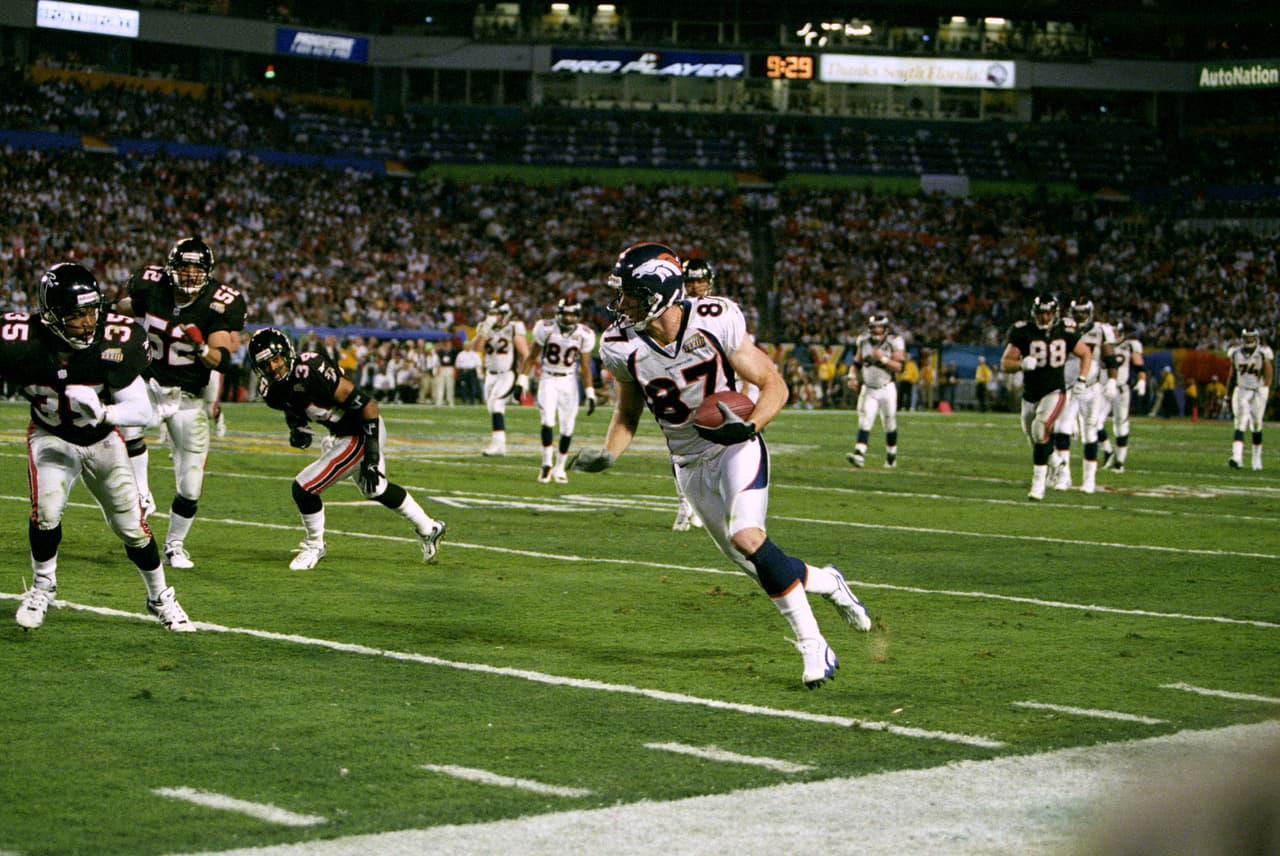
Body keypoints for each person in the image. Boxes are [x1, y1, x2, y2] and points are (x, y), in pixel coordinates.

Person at [569, 242, 872, 689]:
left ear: (660, 293)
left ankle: (814, 645)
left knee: (747, 536)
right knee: (754, 562)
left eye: (632, 293)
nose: (623, 303)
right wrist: (610, 452)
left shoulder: (714, 319)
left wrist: (749, 427)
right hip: (687, 463)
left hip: (734, 447)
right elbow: (627, 413)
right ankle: (828, 582)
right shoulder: (619, 344)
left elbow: (773, 384)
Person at [2, 263, 194, 632]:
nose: (89, 322)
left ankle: (159, 596)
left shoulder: (114, 339)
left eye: (92, 311)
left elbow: (143, 412)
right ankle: (43, 586)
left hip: (102, 438)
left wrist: (105, 412)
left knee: (132, 527)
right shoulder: (18, 341)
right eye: (77, 315)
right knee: (46, 511)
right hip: (51, 434)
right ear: (51, 315)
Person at [247, 327, 447, 570]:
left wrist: (371, 458)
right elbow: (292, 406)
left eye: (276, 359)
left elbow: (368, 406)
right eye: (266, 364)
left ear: (287, 353)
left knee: (304, 488)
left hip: (361, 430)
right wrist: (296, 428)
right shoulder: (271, 390)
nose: (273, 368)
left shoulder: (311, 371)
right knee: (376, 489)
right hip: (342, 433)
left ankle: (314, 545)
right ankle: (429, 528)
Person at [113, 237, 247, 569]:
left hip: (188, 398)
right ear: (171, 268)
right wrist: (103, 308)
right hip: (148, 384)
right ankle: (141, 493)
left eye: (196, 269)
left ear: (208, 272)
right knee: (124, 422)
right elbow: (123, 308)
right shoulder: (151, 286)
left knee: (190, 485)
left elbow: (222, 360)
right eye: (184, 267)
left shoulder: (219, 303)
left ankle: (174, 545)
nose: (189, 274)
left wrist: (201, 348)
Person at [1000, 294, 1092, 501]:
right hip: (1030, 393)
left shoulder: (1065, 329)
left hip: (1054, 390)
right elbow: (1005, 363)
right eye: (1041, 313)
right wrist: (1021, 364)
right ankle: (1058, 463)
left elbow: (1086, 353)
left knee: (1040, 428)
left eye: (1049, 313)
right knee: (1032, 435)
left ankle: (1038, 485)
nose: (1045, 317)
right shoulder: (1023, 331)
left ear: (1055, 313)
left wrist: (1082, 379)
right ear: (1034, 313)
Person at [519, 298, 597, 483]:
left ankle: (560, 466)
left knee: (567, 427)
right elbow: (532, 356)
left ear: (577, 316)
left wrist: (590, 392)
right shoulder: (545, 328)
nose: (568, 318)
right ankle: (547, 463)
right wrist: (521, 380)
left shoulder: (585, 334)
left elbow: (585, 366)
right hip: (548, 378)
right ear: (558, 314)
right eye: (565, 314)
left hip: (569, 380)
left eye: (571, 314)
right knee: (547, 421)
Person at [1054, 298, 1118, 494]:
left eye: (1083, 312)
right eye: (1077, 312)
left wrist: (1112, 380)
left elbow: (1110, 357)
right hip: (1068, 386)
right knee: (1062, 428)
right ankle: (1064, 476)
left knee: (1090, 432)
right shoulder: (1062, 327)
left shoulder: (1101, 330)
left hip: (1091, 388)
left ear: (1089, 312)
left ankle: (1089, 480)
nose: (1080, 316)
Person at [672, 257, 717, 530]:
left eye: (700, 280)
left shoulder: (721, 310)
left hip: (713, 386)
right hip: (681, 385)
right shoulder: (673, 310)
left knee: (714, 454)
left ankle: (701, 506)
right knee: (680, 452)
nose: (696, 286)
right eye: (691, 281)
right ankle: (683, 506)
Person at [845, 314, 906, 468]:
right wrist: (852, 377)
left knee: (889, 422)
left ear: (885, 328)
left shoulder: (894, 341)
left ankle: (891, 455)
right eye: (874, 327)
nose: (877, 330)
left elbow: (900, 367)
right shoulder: (863, 341)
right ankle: (859, 454)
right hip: (868, 388)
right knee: (865, 420)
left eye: (880, 327)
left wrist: (883, 359)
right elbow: (856, 363)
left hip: (887, 387)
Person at [472, 298, 529, 456]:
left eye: (497, 314)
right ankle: (500, 445)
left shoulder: (513, 327)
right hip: (490, 375)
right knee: (492, 408)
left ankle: (498, 444)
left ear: (505, 315)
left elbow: (525, 354)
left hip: (507, 374)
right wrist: (485, 329)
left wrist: (522, 377)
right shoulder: (484, 327)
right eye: (491, 313)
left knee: (496, 404)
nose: (493, 317)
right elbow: (475, 349)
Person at [1101, 319, 1146, 473]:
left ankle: (1119, 461)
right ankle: (1108, 451)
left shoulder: (1131, 345)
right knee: (1094, 422)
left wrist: (1142, 380)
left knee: (1120, 423)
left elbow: (1139, 365)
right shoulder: (1103, 342)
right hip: (1102, 387)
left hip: (1121, 388)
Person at [1226, 328, 1274, 471]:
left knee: (1257, 424)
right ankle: (1237, 457)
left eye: (1251, 337)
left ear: (1256, 338)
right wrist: (1227, 394)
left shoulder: (1263, 352)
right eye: (1247, 337)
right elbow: (1232, 375)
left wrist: (1266, 388)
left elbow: (1269, 372)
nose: (1249, 340)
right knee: (1240, 422)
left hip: (1258, 390)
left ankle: (1256, 459)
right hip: (1241, 390)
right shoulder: (1236, 352)